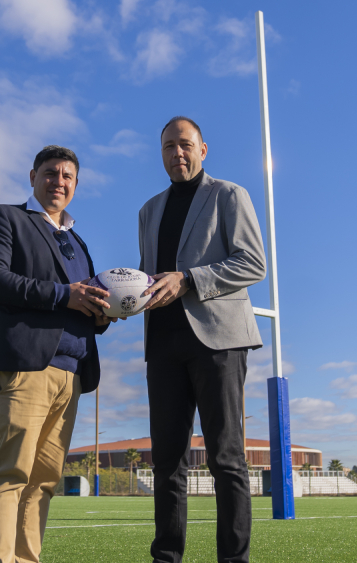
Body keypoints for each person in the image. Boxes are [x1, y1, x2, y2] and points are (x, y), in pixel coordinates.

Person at [0, 145, 114, 563]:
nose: (59, 182)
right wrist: (63, 295)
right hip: (23, 367)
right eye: (51, 173)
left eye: (68, 176)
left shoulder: (78, 242)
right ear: (33, 176)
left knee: (44, 480)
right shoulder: (4, 216)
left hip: (71, 374)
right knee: (10, 472)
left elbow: (79, 303)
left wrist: (103, 313)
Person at [139, 116, 267, 563]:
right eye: (169, 146)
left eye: (185, 145)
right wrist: (120, 297)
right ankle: (166, 558)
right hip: (164, 346)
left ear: (203, 149)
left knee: (226, 459)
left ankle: (234, 560)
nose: (177, 153)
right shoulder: (149, 209)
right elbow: (150, 277)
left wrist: (190, 279)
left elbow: (253, 263)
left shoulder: (230, 195)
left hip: (218, 343)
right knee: (167, 464)